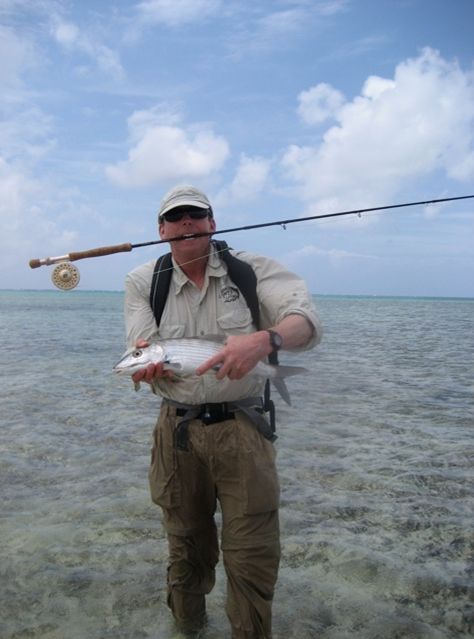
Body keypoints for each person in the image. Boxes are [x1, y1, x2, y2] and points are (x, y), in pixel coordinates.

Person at [124, 185, 322, 638]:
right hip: (176, 435)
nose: (186, 223)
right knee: (186, 551)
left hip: (244, 430)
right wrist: (143, 362)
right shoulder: (142, 281)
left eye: (196, 214)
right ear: (161, 230)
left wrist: (264, 340)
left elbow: (306, 321)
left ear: (212, 222)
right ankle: (188, 629)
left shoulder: (251, 269)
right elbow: (138, 344)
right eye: (175, 218)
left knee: (251, 555)